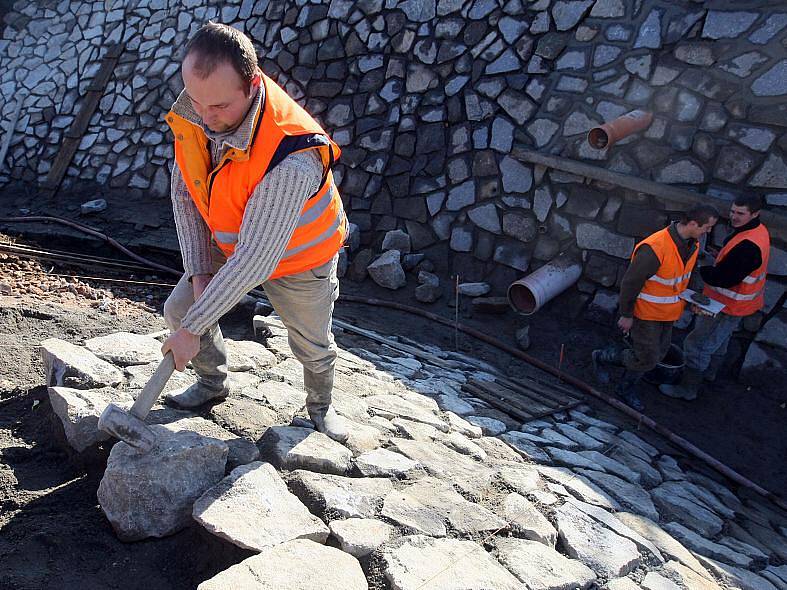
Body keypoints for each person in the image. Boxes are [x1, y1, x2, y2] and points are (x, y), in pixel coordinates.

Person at [159, 23, 349, 442]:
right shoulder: (196, 110)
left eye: (221, 107)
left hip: (301, 256)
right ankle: (212, 383)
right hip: (235, 233)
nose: (207, 119)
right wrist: (200, 271)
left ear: (252, 84)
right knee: (181, 309)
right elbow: (185, 193)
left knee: (312, 345)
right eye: (198, 101)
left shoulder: (291, 154)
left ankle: (320, 409)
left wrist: (192, 331)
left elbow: (255, 260)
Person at [592, 204, 719, 410]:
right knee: (648, 358)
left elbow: (684, 278)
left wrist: (693, 301)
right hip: (646, 314)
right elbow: (630, 283)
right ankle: (604, 359)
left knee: (658, 354)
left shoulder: (692, 245)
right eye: (708, 227)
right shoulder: (655, 247)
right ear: (694, 224)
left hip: (668, 313)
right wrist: (626, 314)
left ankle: (622, 380)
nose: (709, 232)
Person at [660, 195, 770, 400]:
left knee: (698, 344)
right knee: (719, 341)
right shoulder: (756, 232)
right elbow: (735, 265)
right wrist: (719, 258)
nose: (734, 217)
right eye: (732, 212)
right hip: (737, 304)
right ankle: (709, 373)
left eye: (740, 214)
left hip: (726, 305)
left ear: (755, 214)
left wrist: (701, 268)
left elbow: (724, 278)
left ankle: (687, 389)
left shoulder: (748, 246)